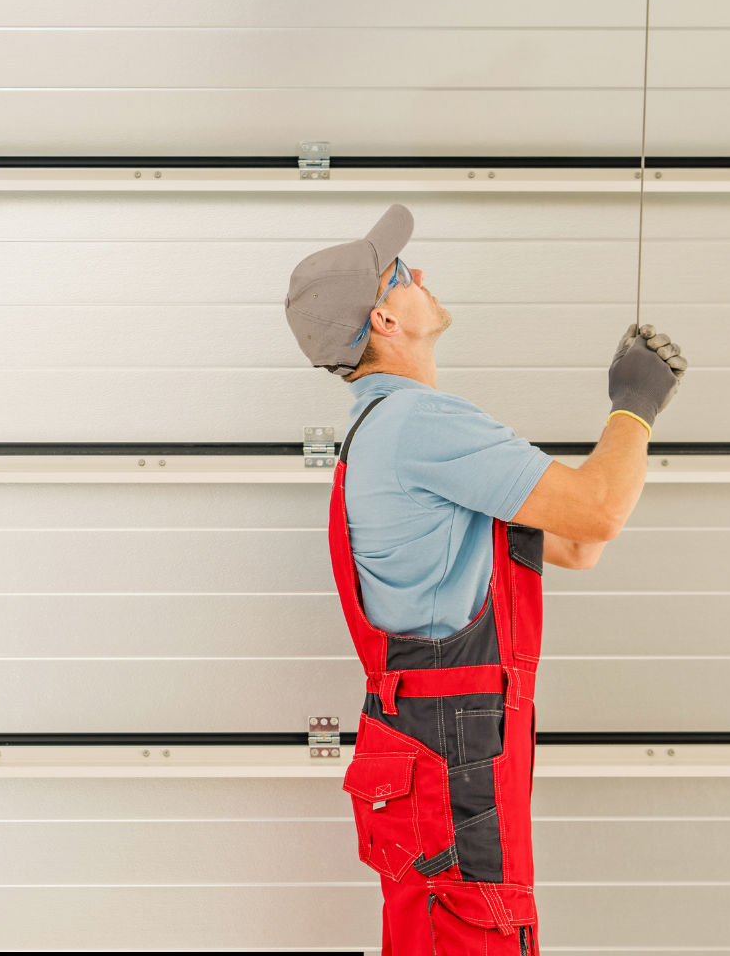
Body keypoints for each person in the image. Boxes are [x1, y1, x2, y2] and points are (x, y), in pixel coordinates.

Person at [283, 204, 687, 954]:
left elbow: (571, 544)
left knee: (445, 930)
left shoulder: (384, 431)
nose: (421, 274)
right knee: (477, 934)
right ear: (384, 317)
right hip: (453, 743)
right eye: (402, 273)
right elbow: (597, 514)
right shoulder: (419, 424)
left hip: (430, 741)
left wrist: (615, 438)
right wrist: (636, 406)